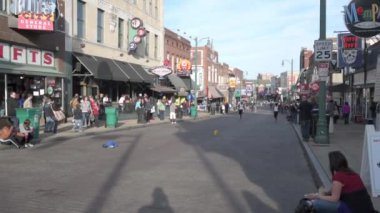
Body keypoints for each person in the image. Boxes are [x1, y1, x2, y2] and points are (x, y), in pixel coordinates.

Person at [304, 151, 376, 213]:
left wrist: (317, 196)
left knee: (316, 204)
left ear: (333, 164)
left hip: (353, 209)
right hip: (367, 209)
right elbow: (334, 190)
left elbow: (334, 199)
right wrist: (325, 193)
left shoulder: (338, 176)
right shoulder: (353, 174)